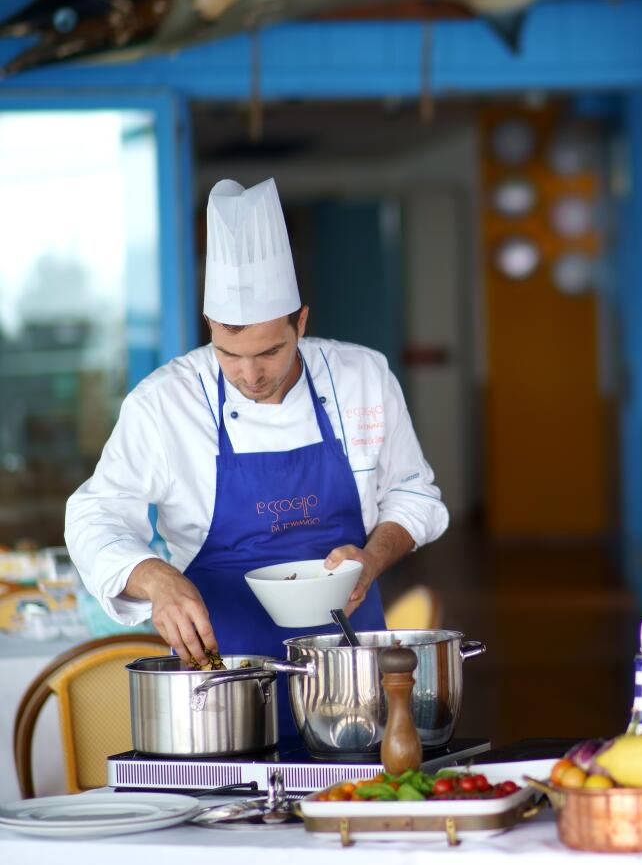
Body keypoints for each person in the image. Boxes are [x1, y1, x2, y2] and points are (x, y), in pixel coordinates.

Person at [65, 178, 448, 716]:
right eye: (228, 352)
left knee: (352, 787)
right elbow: (93, 512)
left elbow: (415, 495)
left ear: (302, 322)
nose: (250, 375)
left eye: (270, 351)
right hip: (223, 671)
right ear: (209, 329)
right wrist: (155, 577)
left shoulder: (363, 376)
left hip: (350, 660)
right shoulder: (163, 401)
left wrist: (372, 557)